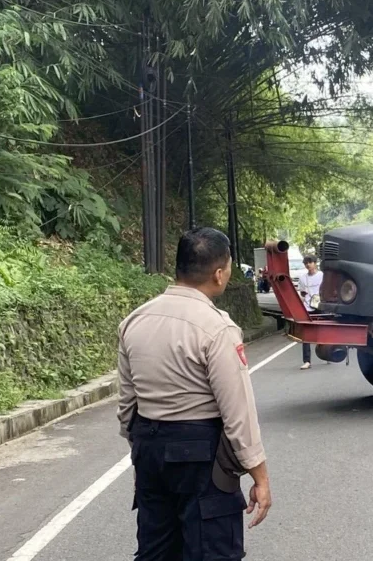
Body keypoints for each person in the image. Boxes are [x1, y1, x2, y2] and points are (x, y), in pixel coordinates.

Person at [117, 228, 271, 560]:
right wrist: (259, 475)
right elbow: (237, 413)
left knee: (156, 552)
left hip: (149, 447)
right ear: (218, 274)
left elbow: (127, 405)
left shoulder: (134, 321)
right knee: (212, 551)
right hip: (199, 454)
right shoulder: (217, 328)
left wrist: (144, 450)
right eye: (228, 266)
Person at [296, 255, 324, 370]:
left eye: (310, 262)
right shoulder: (303, 278)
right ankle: (307, 361)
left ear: (315, 263)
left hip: (321, 305)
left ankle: (326, 353)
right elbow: (301, 292)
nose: (308, 265)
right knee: (306, 334)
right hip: (308, 306)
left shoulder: (322, 275)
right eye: (306, 263)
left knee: (323, 331)